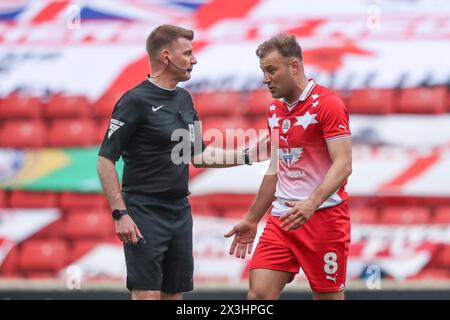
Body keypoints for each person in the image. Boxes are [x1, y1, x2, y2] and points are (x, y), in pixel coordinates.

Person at [97, 24, 264, 300]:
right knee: (148, 296)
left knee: (174, 297)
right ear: (166, 56)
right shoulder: (134, 101)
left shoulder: (185, 99)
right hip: (144, 212)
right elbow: (105, 159)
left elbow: (197, 155)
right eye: (187, 53)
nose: (194, 59)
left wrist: (247, 154)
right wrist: (120, 213)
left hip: (179, 211)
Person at [225, 33, 352, 300]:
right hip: (283, 219)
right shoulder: (275, 110)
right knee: (258, 295)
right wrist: (251, 220)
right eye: (263, 71)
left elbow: (343, 164)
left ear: (294, 66)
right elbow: (275, 171)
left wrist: (311, 202)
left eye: (271, 70)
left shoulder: (327, 104)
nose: (265, 78)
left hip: (324, 220)